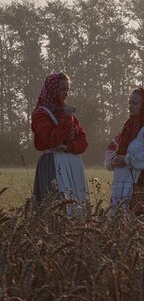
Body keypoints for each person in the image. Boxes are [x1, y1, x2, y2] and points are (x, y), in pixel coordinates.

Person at [30, 72, 89, 217]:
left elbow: (83, 142)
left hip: (73, 166)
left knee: (76, 208)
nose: (66, 93)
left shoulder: (67, 113)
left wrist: (68, 147)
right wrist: (66, 120)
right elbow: (51, 140)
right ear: (53, 89)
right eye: (62, 89)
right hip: (52, 163)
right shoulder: (40, 114)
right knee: (55, 207)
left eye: (68, 89)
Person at [104, 87, 144, 213]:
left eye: (135, 103)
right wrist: (113, 160)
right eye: (129, 103)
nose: (130, 106)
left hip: (142, 187)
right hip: (120, 188)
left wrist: (127, 159)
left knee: (140, 226)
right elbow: (110, 151)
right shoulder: (128, 129)